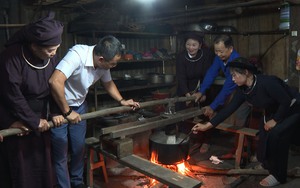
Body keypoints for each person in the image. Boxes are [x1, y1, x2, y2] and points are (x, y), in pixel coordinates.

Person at [192, 57, 300, 187]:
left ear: (246, 72)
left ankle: (279, 176)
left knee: (277, 134)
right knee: (264, 136)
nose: (232, 79)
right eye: (231, 75)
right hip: (273, 111)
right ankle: (267, 165)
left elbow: (286, 101)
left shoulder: (267, 82)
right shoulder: (242, 90)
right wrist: (206, 126)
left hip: (292, 108)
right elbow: (229, 109)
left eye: (235, 75)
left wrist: (275, 120)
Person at [49, 35, 140, 188]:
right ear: (101, 59)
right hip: (59, 107)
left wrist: (122, 101)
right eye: (113, 64)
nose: (114, 66)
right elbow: (54, 81)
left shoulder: (104, 65)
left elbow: (108, 83)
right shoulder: (77, 55)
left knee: (79, 148)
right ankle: (63, 186)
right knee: (61, 153)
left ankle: (77, 182)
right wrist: (66, 111)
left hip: (79, 106)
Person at [0, 12, 64, 188]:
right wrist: (32, 120)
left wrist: (56, 112)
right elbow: (12, 95)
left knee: (44, 167)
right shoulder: (11, 57)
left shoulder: (50, 58)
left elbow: (53, 84)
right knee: (21, 169)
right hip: (16, 117)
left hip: (41, 119)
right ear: (34, 46)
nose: (54, 54)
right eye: (50, 50)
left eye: (56, 49)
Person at [193, 34, 251, 157]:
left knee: (240, 121)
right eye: (216, 51)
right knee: (224, 110)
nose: (218, 54)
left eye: (221, 51)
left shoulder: (235, 61)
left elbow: (227, 88)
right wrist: (201, 91)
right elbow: (211, 73)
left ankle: (242, 151)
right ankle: (237, 149)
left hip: (245, 91)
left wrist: (213, 106)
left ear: (230, 49)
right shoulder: (219, 58)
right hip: (234, 89)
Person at [175, 31, 215, 152]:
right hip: (185, 88)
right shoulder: (181, 57)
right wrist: (187, 95)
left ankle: (206, 141)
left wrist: (202, 92)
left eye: (194, 45)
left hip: (203, 86)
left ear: (200, 45)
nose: (191, 47)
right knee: (182, 113)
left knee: (205, 113)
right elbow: (181, 76)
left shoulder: (207, 55)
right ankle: (189, 139)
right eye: (188, 44)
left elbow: (209, 75)